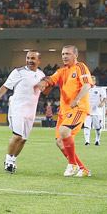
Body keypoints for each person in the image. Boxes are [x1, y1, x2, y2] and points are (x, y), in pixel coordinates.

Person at [34, 45, 93, 177]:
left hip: (78, 108)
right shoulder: (62, 71)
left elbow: (87, 84)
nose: (64, 56)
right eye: (62, 54)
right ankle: (83, 169)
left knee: (64, 130)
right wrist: (44, 82)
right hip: (64, 111)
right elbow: (51, 79)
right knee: (59, 142)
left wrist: (77, 99)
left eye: (67, 54)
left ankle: (72, 164)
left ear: (75, 55)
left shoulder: (81, 67)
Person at [0, 50, 45, 174]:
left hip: (31, 110)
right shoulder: (18, 72)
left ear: (39, 61)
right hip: (17, 108)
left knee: (23, 139)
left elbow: (44, 90)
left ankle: (13, 160)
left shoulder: (41, 74)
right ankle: (8, 160)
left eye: (33, 58)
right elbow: (5, 86)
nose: (30, 60)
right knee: (17, 136)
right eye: (28, 58)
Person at [83, 76, 106, 146]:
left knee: (98, 127)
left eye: (92, 81)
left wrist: (102, 103)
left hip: (97, 111)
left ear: (94, 82)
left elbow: (105, 98)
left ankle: (97, 140)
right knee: (87, 126)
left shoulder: (100, 89)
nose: (90, 82)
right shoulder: (85, 90)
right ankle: (87, 141)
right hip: (87, 111)